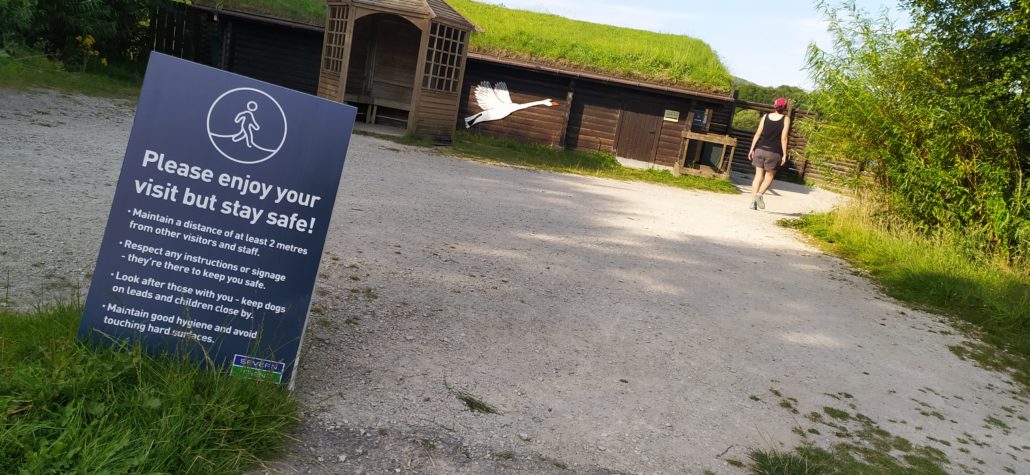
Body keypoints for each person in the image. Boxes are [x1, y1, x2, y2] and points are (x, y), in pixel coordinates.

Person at [747, 97, 790, 210]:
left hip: (760, 149)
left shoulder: (765, 116)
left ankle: (752, 203)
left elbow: (757, 134)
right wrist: (785, 154)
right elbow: (784, 138)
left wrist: (752, 149)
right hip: (774, 152)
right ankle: (760, 194)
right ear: (785, 108)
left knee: (758, 176)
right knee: (769, 176)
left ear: (774, 106)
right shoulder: (786, 119)